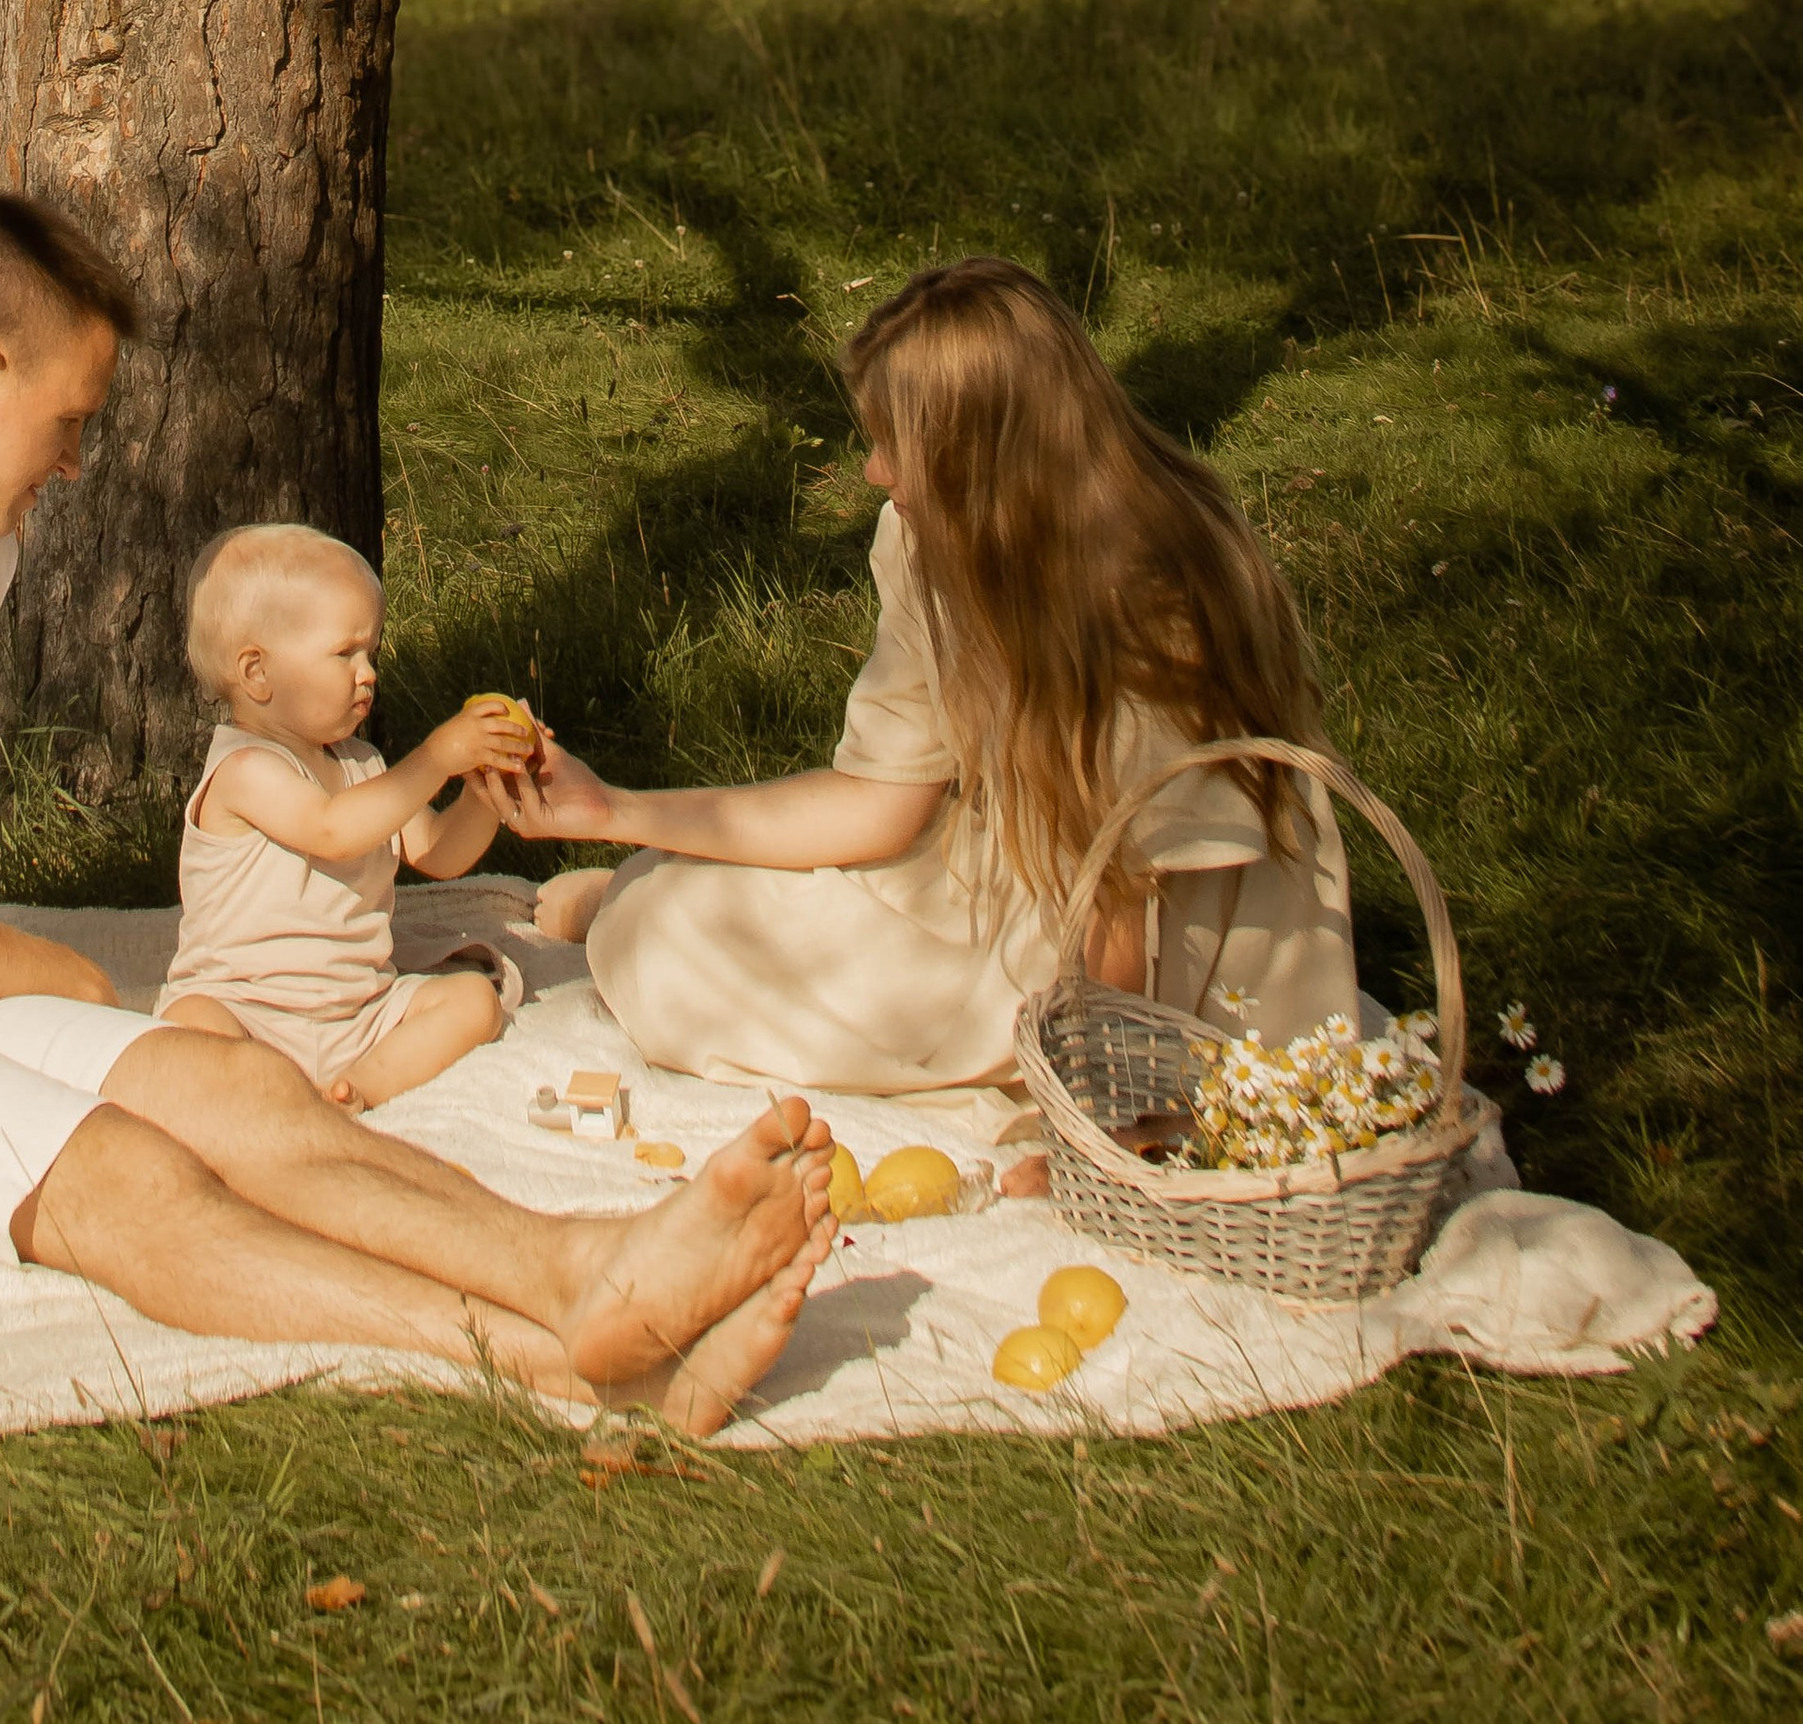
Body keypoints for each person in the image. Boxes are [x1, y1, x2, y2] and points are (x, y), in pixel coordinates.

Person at [0, 191, 831, 1433]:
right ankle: (563, 1363)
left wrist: (50, 994)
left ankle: (578, 1267)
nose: (79, 458)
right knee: (123, 1172)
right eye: (67, 419)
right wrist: (55, 975)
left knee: (232, 1085)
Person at [507, 260, 1357, 1121]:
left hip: (1171, 936)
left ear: (974, 452)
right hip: (1023, 867)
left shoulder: (1147, 584)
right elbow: (880, 800)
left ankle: (1027, 1060)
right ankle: (625, 892)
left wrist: (1094, 1117)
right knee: (664, 909)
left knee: (660, 949)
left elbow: (1127, 898)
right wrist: (611, 807)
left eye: (891, 442)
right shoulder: (933, 536)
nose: (874, 470)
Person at [155, 524, 532, 1107]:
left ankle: (359, 1089)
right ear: (257, 673)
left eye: (370, 652)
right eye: (344, 653)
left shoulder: (363, 763)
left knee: (474, 1001)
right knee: (190, 1025)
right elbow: (331, 830)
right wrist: (436, 756)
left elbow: (436, 851)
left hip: (357, 1010)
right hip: (246, 1010)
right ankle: (259, 1091)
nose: (368, 672)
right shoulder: (244, 770)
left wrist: (482, 791)